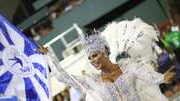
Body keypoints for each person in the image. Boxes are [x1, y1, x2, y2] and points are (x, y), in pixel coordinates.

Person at [38, 29, 175, 100]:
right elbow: (64, 77)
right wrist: (48, 56)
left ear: (105, 52)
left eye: (96, 55)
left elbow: (146, 75)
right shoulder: (92, 80)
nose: (93, 60)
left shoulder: (127, 67)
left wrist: (162, 78)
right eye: (90, 57)